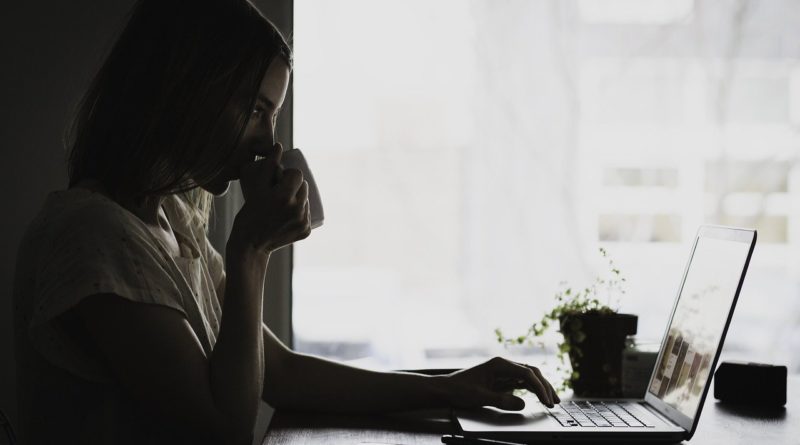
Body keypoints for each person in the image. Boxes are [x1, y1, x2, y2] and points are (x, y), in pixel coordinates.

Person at [12, 0, 559, 443]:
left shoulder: (173, 225)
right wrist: (251, 250)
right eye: (255, 109)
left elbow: (282, 373)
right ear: (185, 91)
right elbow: (222, 430)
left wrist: (448, 388)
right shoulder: (94, 237)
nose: (269, 141)